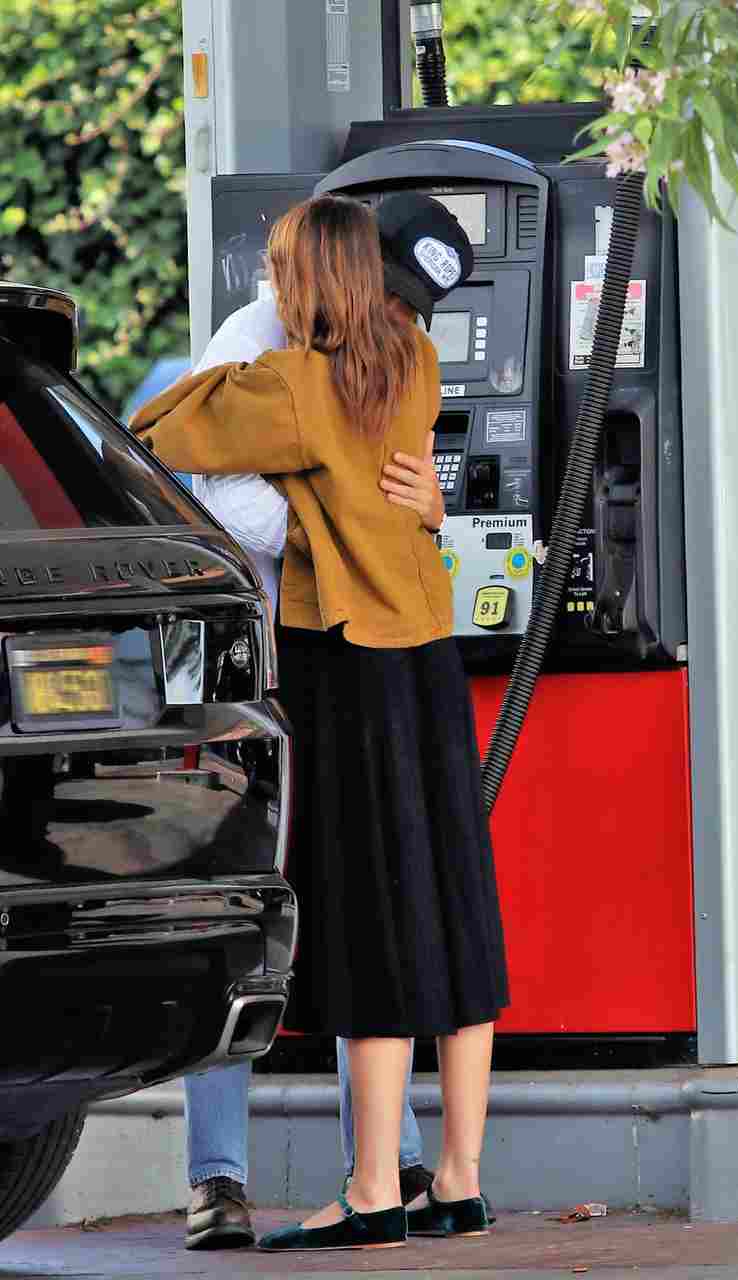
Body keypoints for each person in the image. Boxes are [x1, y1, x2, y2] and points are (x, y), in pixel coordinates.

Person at [132, 191, 509, 1254]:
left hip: (341, 655)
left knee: (367, 914)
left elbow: (161, 424)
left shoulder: (291, 381)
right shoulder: (418, 359)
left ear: (308, 278)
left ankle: (372, 1187)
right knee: (453, 895)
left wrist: (314, 501)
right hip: (429, 649)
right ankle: (460, 1176)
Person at [179, 283, 444, 1249]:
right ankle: (218, 1178)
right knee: (244, 910)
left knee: (354, 899)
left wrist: (423, 506)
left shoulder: (375, 347)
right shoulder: (251, 348)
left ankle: (394, 1158)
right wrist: (330, 525)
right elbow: (222, 489)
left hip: (343, 666)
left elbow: (404, 493)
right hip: (253, 670)